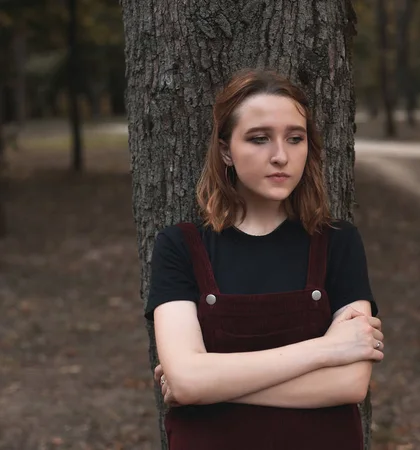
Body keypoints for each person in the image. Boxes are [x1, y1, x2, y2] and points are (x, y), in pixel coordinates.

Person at [145, 69, 384, 450]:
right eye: (259, 139)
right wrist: (325, 350)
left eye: (295, 138)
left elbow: (349, 384)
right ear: (226, 150)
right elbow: (188, 381)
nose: (280, 156)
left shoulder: (338, 243)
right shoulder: (180, 247)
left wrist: (210, 385)